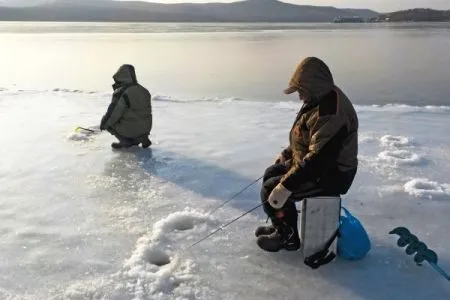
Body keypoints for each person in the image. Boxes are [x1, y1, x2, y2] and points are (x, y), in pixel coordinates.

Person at [255, 57, 359, 252]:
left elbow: (319, 159)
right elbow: (304, 136)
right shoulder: (318, 99)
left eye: (301, 91)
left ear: (313, 87)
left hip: (333, 174)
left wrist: (285, 186)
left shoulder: (331, 112)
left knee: (273, 189)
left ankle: (288, 238)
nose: (300, 97)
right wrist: (287, 154)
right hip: (314, 164)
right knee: (272, 173)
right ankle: (282, 224)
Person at [100, 64, 152, 149]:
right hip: (146, 128)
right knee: (135, 117)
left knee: (107, 121)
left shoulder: (122, 92)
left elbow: (113, 113)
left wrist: (103, 125)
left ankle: (125, 142)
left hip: (132, 129)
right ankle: (142, 138)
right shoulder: (144, 90)